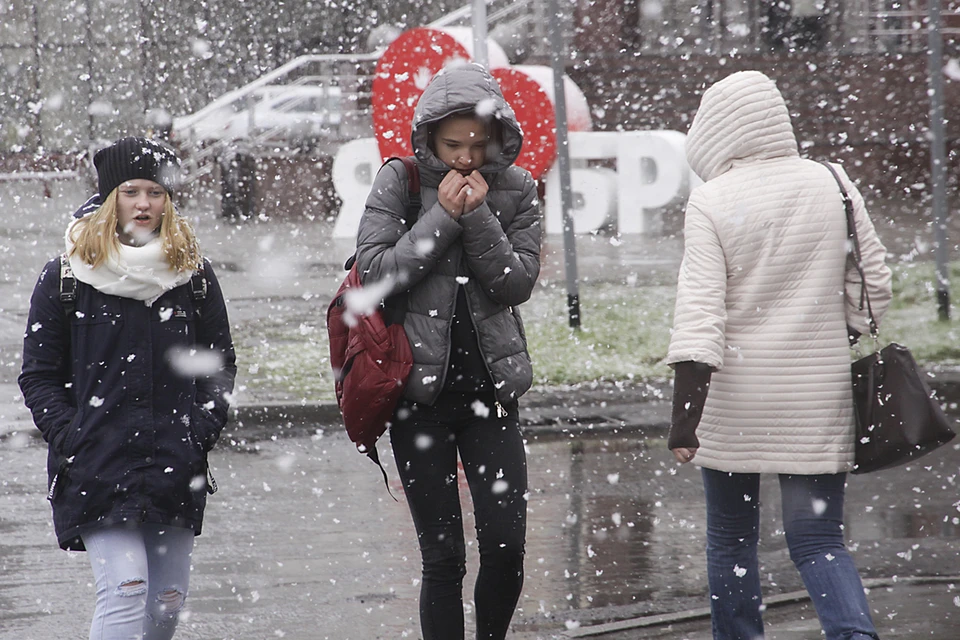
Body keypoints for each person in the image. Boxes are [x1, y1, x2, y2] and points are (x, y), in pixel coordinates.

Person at [665, 71, 891, 640]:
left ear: (714, 130)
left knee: (731, 538)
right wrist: (835, 334)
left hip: (733, 395)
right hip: (817, 392)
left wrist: (684, 420)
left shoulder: (711, 200)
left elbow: (700, 314)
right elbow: (875, 286)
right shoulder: (831, 181)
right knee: (818, 540)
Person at [19, 136, 237, 640]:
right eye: (132, 191)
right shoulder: (68, 276)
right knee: (125, 588)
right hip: (99, 461)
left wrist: (198, 430)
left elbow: (218, 364)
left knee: (166, 600)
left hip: (174, 462)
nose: (145, 204)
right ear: (108, 198)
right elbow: (38, 373)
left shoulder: (192, 276)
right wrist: (74, 435)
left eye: (157, 193)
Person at [354, 63, 541, 640]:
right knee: (443, 561)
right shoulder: (400, 181)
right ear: (429, 138)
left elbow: (515, 284)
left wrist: (478, 215)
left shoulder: (517, 188)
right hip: (419, 398)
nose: (465, 158)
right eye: (452, 144)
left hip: (493, 397)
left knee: (506, 549)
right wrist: (443, 215)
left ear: (498, 139)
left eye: (478, 145)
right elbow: (376, 273)